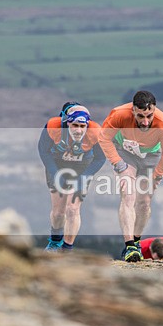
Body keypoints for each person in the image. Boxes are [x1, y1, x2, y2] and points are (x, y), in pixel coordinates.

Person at [98, 90, 163, 263]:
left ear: (154, 110)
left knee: (144, 202)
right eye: (140, 116)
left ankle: (136, 240)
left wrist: (157, 176)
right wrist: (117, 162)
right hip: (125, 153)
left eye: (149, 115)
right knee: (128, 194)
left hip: (151, 156)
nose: (145, 121)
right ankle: (130, 246)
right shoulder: (119, 115)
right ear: (133, 110)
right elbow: (103, 138)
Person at [37, 102, 106, 251]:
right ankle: (55, 242)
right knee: (58, 211)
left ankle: (67, 248)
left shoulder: (96, 132)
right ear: (67, 123)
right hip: (56, 163)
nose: (79, 130)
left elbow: (100, 158)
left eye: (82, 126)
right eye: (75, 125)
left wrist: (85, 177)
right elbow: (43, 151)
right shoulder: (53, 127)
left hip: (82, 166)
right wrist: (55, 173)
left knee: (72, 209)